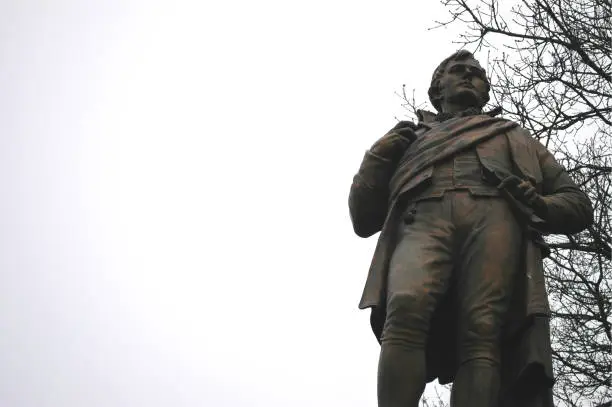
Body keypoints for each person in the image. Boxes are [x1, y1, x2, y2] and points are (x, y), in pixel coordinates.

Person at [348, 50, 593, 407]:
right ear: (437, 88)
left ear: (485, 90)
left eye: (476, 74)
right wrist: (377, 157)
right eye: (458, 71)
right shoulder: (407, 138)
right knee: (405, 306)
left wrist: (540, 204)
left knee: (482, 330)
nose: (468, 77)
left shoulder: (513, 135)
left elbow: (578, 204)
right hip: (422, 218)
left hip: (496, 223)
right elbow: (362, 217)